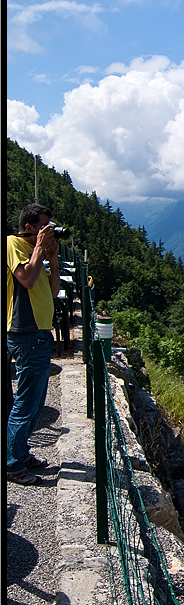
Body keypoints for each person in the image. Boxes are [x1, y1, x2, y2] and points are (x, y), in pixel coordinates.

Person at [6, 203, 62, 485]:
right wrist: (38, 249)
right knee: (26, 403)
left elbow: (53, 291)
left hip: (41, 332)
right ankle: (11, 464)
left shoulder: (36, 253)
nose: (47, 231)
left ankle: (21, 453)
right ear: (28, 227)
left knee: (36, 402)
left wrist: (52, 259)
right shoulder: (13, 244)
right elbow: (26, 280)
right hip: (25, 331)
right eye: (42, 226)